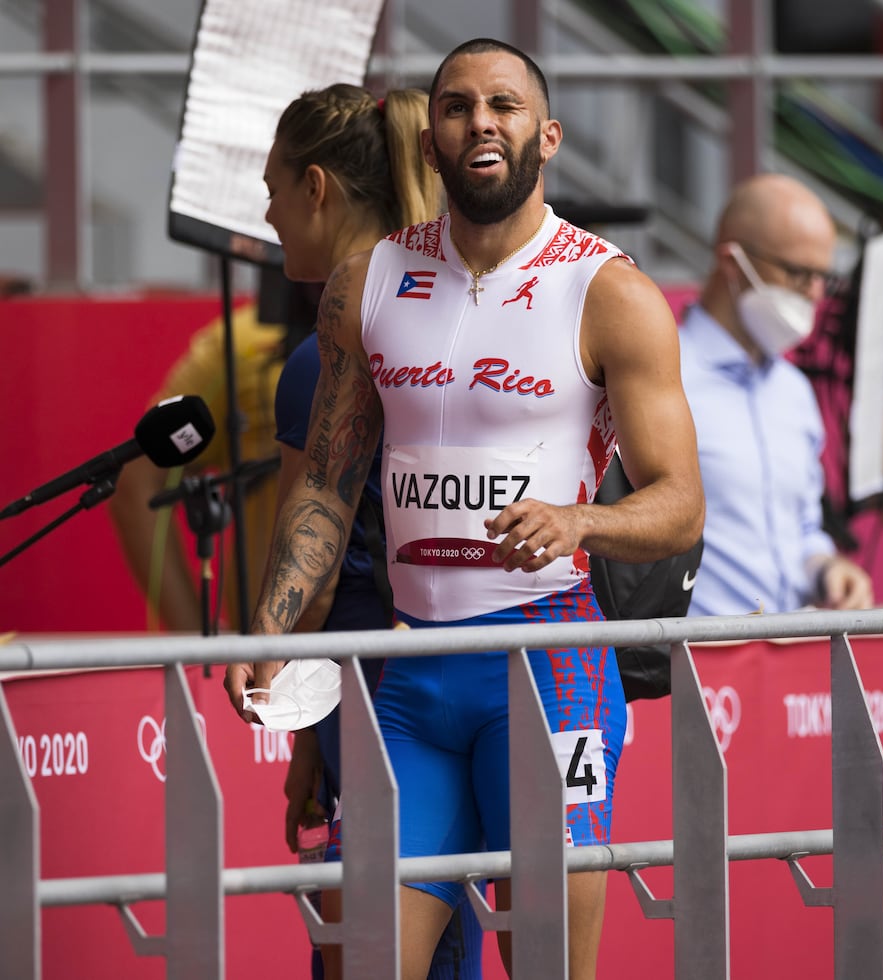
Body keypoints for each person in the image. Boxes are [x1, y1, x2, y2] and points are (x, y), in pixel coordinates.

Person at [226, 38, 703, 979]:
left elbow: (680, 505)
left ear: (547, 136)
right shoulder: (368, 284)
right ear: (431, 139)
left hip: (551, 665)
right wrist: (275, 631)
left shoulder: (610, 291)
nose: (479, 120)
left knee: (545, 966)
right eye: (456, 106)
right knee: (366, 961)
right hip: (412, 672)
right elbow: (324, 482)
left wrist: (581, 521)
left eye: (504, 105)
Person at [251, 83, 482, 980]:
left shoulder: (323, 356)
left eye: (271, 188)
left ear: (316, 187)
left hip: (373, 680)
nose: (265, 214)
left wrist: (303, 728)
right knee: (441, 912)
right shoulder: (439, 315)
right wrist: (314, 741)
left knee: (394, 941)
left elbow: (303, 568)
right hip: (434, 668)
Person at [678, 172, 874, 616]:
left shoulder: (794, 391)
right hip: (695, 666)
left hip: (789, 667)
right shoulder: (664, 376)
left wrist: (826, 569)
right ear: (732, 262)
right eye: (799, 274)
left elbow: (804, 526)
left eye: (823, 277)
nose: (815, 294)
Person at [108, 302, 286, 632]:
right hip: (269, 658)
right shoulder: (243, 343)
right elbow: (139, 481)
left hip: (393, 639)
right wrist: (194, 637)